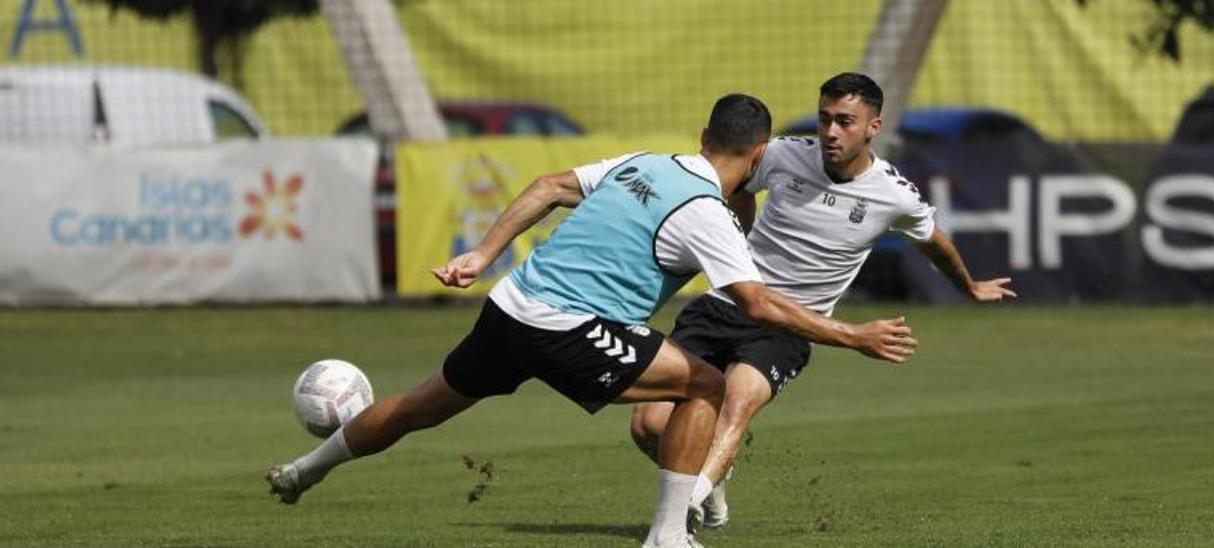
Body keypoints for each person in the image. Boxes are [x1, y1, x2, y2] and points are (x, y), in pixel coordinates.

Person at [264, 93, 918, 548]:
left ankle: (305, 470)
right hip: (566, 327)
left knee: (418, 406)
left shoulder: (644, 164)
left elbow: (548, 186)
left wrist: (481, 255)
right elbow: (758, 304)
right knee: (706, 388)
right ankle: (667, 537)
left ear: (702, 139)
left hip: (511, 304)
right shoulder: (706, 212)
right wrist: (851, 335)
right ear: (755, 159)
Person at [629, 73, 1018, 532]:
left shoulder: (893, 194)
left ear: (873, 127)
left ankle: (683, 513)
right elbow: (736, 185)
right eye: (824, 119)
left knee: (737, 401)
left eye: (845, 122)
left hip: (789, 326)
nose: (831, 132)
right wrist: (737, 237)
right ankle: (711, 480)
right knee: (648, 425)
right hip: (726, 301)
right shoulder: (782, 154)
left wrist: (969, 286)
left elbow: (934, 243)